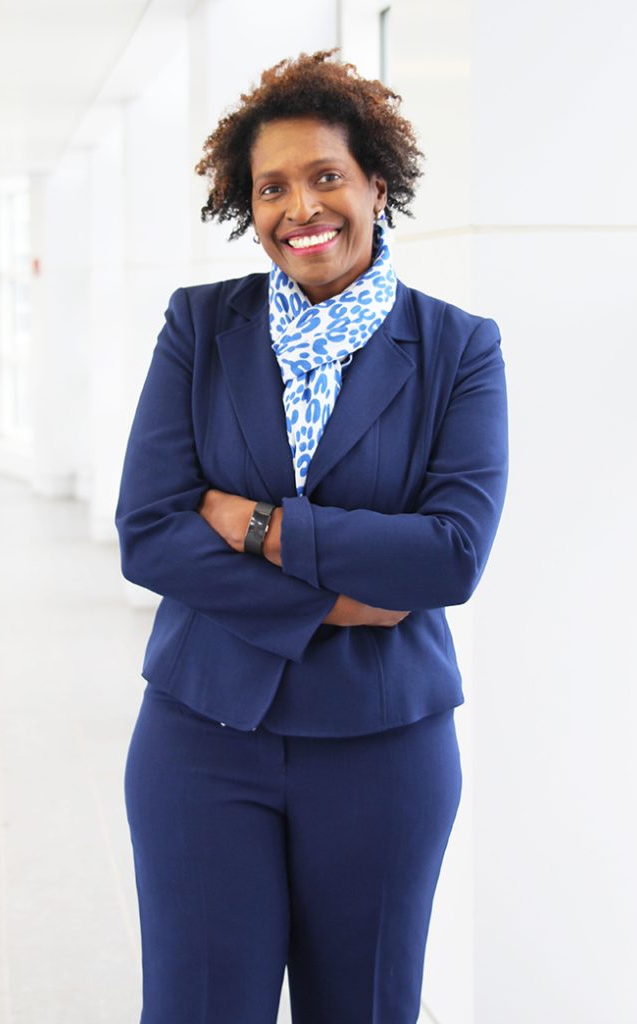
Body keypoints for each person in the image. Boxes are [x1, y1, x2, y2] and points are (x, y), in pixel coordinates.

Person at [115, 49, 508, 1024]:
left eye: (324, 175)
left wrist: (256, 523)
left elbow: (449, 555)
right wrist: (333, 599)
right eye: (272, 186)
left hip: (383, 743)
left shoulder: (460, 346)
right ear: (244, 205)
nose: (301, 207)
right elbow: (150, 531)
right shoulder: (201, 327)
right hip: (202, 733)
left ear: (376, 183)